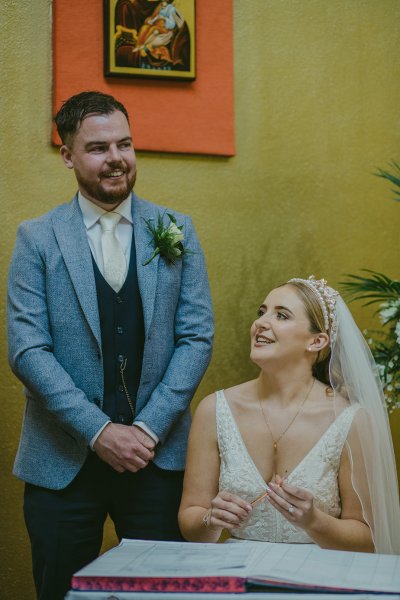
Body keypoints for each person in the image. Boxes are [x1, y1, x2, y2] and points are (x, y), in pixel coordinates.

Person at [7, 90, 213, 600]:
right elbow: (27, 350)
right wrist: (99, 431)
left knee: (165, 594)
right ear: (68, 155)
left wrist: (146, 427)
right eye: (98, 147)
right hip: (62, 460)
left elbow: (196, 335)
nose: (116, 158)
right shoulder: (36, 238)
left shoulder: (175, 229)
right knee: (61, 590)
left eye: (125, 143)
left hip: (156, 457)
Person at [178, 276, 400, 554]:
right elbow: (190, 522)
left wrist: (315, 521)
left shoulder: (350, 420)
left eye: (281, 315)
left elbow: (369, 539)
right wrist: (210, 519)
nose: (261, 322)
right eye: (262, 312)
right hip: (235, 577)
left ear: (317, 341)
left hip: (318, 581)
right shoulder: (214, 409)